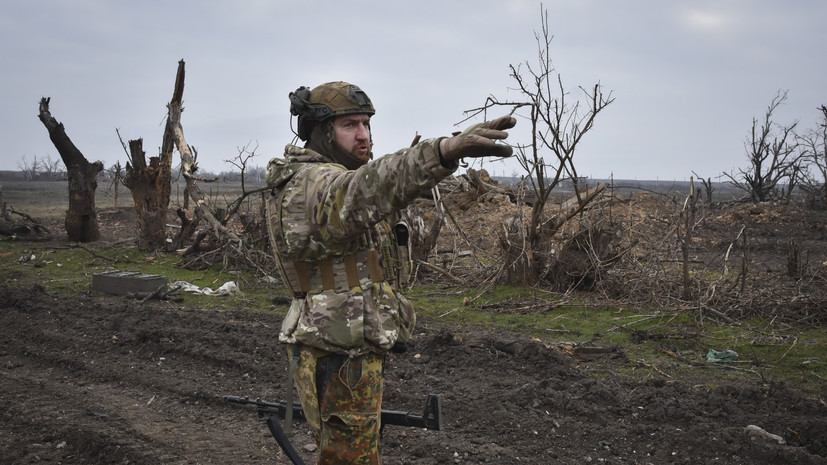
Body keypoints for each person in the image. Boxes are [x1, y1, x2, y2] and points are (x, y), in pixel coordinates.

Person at [265, 81, 515, 464]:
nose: (363, 134)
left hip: (345, 347)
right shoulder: (311, 185)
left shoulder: (331, 178)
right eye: (350, 124)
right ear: (319, 131)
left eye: (366, 123)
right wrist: (444, 151)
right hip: (336, 353)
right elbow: (372, 186)